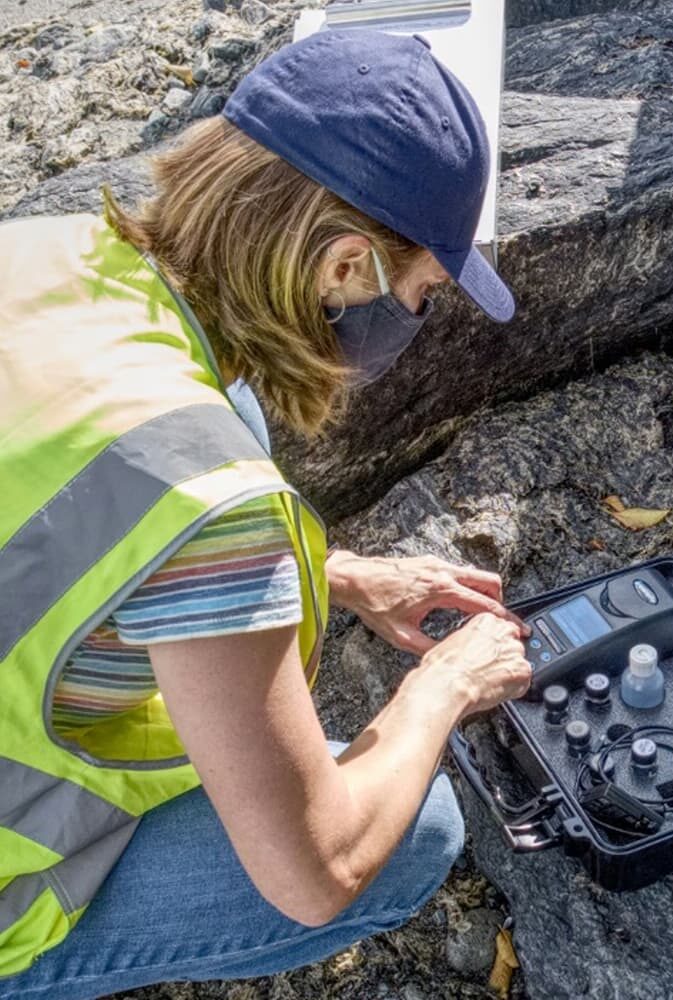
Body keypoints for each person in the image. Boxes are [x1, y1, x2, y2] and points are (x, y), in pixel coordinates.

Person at [0, 28, 531, 1000]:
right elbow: (317, 869)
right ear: (342, 270)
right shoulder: (208, 507)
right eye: (419, 295)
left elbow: (56, 506)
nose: (413, 322)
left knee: (232, 404)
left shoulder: (43, 249)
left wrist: (334, 573)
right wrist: (442, 688)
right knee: (409, 838)